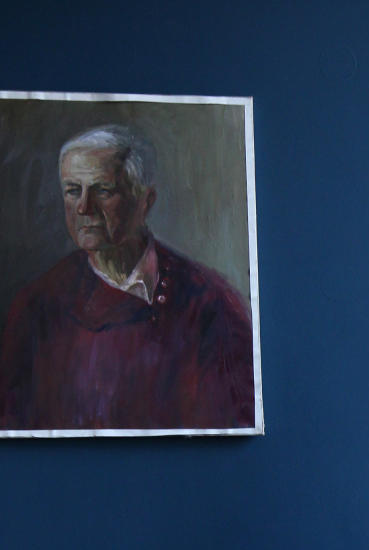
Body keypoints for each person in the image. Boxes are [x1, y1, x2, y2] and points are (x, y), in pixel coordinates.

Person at [0, 124, 256, 431]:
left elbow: (235, 427)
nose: (83, 207)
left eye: (103, 190)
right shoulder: (37, 307)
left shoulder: (208, 302)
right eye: (72, 190)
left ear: (145, 201)